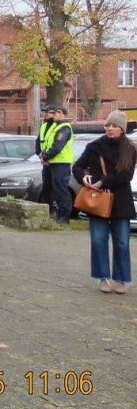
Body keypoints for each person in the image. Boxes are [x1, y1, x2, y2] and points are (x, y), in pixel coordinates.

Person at [72, 110, 133, 295]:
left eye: (114, 126)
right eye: (108, 125)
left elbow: (126, 176)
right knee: (98, 241)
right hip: (97, 200)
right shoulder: (94, 146)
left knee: (122, 242)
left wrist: (103, 181)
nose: (110, 129)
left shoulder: (129, 148)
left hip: (120, 201)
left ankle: (122, 279)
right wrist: (84, 178)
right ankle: (103, 277)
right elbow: (77, 166)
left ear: (122, 129)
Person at [40, 106, 74, 223]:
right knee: (51, 188)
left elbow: (57, 147)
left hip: (61, 163)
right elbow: (48, 144)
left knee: (61, 189)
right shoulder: (56, 127)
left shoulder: (64, 128)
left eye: (55, 113)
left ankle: (64, 216)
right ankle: (55, 214)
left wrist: (45, 156)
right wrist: (44, 156)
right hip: (52, 162)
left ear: (61, 114)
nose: (53, 115)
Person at [36, 106, 56, 212]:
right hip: (45, 162)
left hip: (55, 162)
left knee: (54, 188)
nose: (46, 114)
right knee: (46, 187)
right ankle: (46, 210)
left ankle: (53, 209)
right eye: (45, 112)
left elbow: (56, 146)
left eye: (49, 112)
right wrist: (39, 153)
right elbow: (38, 141)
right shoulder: (44, 126)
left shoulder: (57, 127)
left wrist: (47, 157)